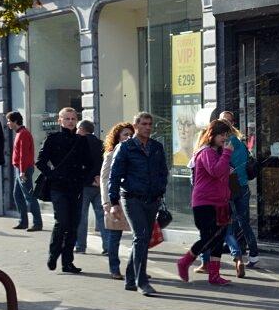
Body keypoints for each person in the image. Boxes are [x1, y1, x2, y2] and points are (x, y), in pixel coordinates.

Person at [108, 112, 168, 296]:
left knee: (142, 239)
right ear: (136, 126)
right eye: (144, 124)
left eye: (150, 124)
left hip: (152, 199)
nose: (148, 127)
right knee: (141, 236)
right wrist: (113, 202)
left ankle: (130, 278)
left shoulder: (156, 147)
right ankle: (142, 281)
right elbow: (115, 175)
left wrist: (160, 190)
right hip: (131, 197)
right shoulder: (125, 148)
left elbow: (163, 171)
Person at [35, 107, 96, 274]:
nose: (70, 121)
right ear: (60, 121)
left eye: (73, 119)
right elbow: (40, 162)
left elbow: (90, 164)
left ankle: (68, 262)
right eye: (67, 119)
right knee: (62, 222)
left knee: (74, 225)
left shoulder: (81, 140)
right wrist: (52, 175)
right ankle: (53, 254)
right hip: (58, 188)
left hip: (76, 187)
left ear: (76, 121)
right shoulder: (52, 138)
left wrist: (84, 179)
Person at [174, 120, 235, 286]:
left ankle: (214, 275)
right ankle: (184, 262)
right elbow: (215, 171)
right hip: (205, 203)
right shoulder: (206, 152)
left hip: (220, 202)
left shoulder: (218, 153)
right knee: (209, 237)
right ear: (212, 135)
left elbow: (221, 174)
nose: (224, 138)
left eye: (226, 135)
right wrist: (227, 154)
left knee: (219, 238)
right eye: (221, 135)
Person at [219, 111, 260, 275]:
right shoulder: (240, 142)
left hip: (230, 186)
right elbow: (244, 163)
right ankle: (254, 254)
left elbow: (222, 166)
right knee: (244, 222)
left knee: (226, 221)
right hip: (243, 186)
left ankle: (236, 255)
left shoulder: (224, 144)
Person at [99, 122, 134, 280]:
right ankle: (114, 268)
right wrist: (106, 201)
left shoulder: (136, 152)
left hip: (133, 199)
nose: (128, 137)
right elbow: (104, 179)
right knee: (114, 236)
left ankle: (136, 268)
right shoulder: (111, 154)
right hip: (116, 200)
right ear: (117, 137)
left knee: (139, 237)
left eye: (130, 134)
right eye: (125, 134)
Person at [6, 112, 42, 232]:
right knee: (17, 195)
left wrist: (22, 171)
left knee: (29, 196)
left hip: (23, 169)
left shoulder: (23, 134)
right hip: (21, 169)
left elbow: (24, 155)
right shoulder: (20, 133)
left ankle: (37, 223)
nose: (8, 123)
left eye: (9, 121)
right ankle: (23, 221)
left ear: (15, 121)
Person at [74, 120, 105, 255]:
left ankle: (81, 246)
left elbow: (80, 165)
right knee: (102, 217)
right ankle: (108, 247)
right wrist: (98, 177)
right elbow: (103, 163)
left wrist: (89, 179)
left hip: (84, 185)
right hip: (99, 184)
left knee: (81, 217)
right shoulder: (101, 143)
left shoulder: (79, 143)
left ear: (81, 129)